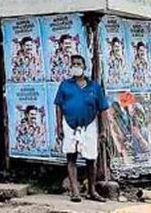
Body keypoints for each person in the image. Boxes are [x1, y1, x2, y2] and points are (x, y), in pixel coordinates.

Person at [54, 54, 109, 203]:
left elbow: (103, 109)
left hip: (89, 124)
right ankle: (75, 191)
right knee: (71, 156)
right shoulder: (65, 85)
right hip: (69, 124)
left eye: (79, 64)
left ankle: (92, 190)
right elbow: (58, 105)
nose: (76, 67)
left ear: (84, 67)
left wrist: (103, 130)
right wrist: (59, 126)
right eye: (73, 64)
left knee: (91, 158)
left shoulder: (94, 87)